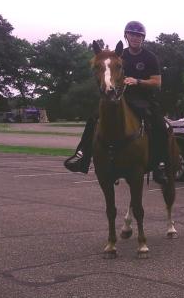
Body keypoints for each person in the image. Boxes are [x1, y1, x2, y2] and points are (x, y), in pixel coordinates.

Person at [64, 20, 170, 184]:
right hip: (121, 96)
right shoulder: (119, 56)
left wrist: (138, 81)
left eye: (139, 35)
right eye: (132, 34)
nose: (135, 38)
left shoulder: (149, 57)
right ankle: (81, 156)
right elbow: (108, 72)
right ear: (126, 36)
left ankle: (160, 164)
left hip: (144, 98)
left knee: (160, 125)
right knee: (93, 119)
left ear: (143, 38)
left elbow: (157, 82)